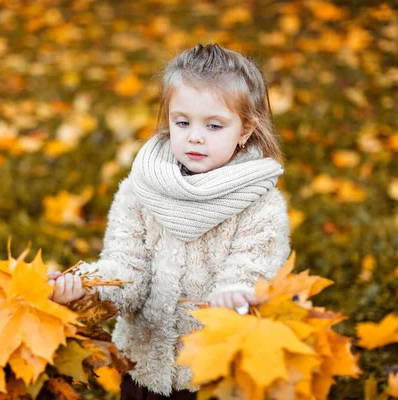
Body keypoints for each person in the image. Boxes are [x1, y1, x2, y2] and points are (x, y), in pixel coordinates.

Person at [47, 43, 291, 400]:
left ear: (245, 130)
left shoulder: (260, 203)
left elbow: (253, 269)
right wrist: (86, 284)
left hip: (215, 372)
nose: (195, 136)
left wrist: (238, 295)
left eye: (213, 125)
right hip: (145, 366)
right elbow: (128, 268)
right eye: (182, 122)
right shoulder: (141, 190)